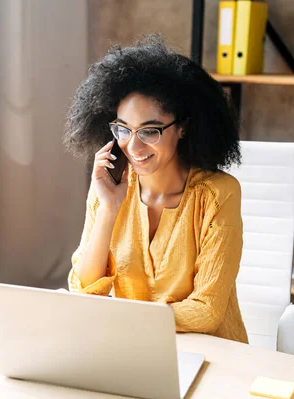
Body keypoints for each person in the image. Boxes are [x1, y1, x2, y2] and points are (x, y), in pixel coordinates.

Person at [63, 35, 248, 343]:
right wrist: (109, 210)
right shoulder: (108, 189)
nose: (132, 146)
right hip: (135, 346)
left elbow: (206, 312)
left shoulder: (218, 194)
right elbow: (83, 288)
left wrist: (123, 320)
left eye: (149, 131)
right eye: (123, 128)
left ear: (183, 127)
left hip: (212, 353)